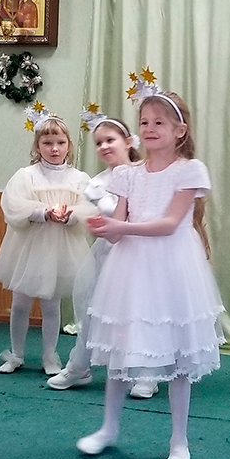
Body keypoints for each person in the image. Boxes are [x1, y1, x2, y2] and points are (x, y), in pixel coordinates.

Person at [76, 70, 224, 459]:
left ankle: (179, 440)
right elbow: (120, 227)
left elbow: (170, 223)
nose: (150, 128)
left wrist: (120, 227)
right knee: (122, 347)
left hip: (173, 267)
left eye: (160, 122)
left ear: (180, 130)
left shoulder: (189, 170)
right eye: (144, 122)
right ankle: (108, 427)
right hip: (131, 269)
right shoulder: (126, 174)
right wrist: (105, 227)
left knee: (178, 354)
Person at [46, 106, 160, 398]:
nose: (104, 146)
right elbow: (108, 219)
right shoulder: (96, 183)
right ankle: (79, 366)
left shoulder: (147, 173)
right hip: (109, 255)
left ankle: (146, 373)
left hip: (142, 253)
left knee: (140, 313)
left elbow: (143, 215)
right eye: (99, 143)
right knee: (94, 310)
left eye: (110, 140)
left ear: (128, 142)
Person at [0, 104, 93, 375]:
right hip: (29, 248)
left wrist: (69, 216)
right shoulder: (26, 176)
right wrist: (43, 213)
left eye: (60, 142)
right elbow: (13, 206)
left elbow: (88, 208)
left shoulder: (78, 179)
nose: (54, 149)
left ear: (69, 144)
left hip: (61, 250)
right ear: (37, 145)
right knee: (20, 303)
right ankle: (16, 354)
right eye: (47, 143)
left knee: (51, 304)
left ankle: (50, 356)